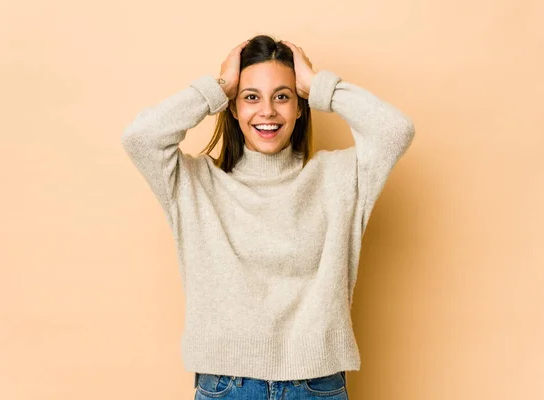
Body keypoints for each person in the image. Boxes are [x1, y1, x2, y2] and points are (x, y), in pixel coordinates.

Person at [121, 34, 415, 399]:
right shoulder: (194, 184)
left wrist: (318, 85)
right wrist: (218, 87)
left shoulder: (339, 177)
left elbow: (394, 131)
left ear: (300, 106)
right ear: (231, 106)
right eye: (250, 97)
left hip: (316, 386)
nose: (267, 111)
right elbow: (140, 137)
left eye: (282, 96)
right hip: (226, 387)